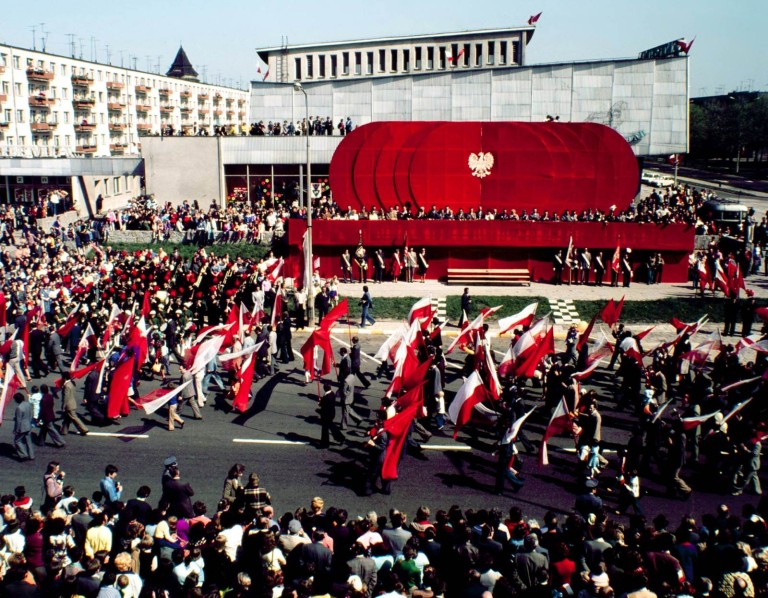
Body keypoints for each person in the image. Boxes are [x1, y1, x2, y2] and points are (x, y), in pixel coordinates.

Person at [60, 371, 89, 436]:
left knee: (74, 418)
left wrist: (63, 406)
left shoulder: (66, 386)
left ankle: (84, 429)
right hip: (72, 403)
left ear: (64, 378)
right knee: (67, 418)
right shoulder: (72, 383)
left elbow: (65, 397)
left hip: (69, 405)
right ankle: (63, 431)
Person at [319, 383, 345, 448]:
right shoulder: (332, 393)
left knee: (325, 429)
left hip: (326, 414)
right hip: (331, 413)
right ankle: (340, 438)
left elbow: (323, 405)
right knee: (332, 427)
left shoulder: (326, 397)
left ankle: (325, 444)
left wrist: (320, 403)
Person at [12, 393, 34, 461]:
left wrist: (16, 430)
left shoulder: (19, 408)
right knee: (28, 441)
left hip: (22, 427)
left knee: (17, 441)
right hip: (28, 425)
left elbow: (18, 420)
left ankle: (24, 454)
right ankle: (31, 455)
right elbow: (30, 415)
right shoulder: (28, 404)